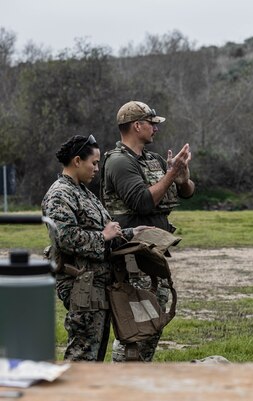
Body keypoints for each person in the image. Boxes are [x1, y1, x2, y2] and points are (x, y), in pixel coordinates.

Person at [101, 101, 195, 362]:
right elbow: (141, 202)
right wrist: (170, 173)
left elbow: (186, 193)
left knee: (155, 318)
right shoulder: (119, 162)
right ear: (137, 125)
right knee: (136, 322)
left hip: (155, 253)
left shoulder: (152, 159)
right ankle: (123, 376)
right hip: (133, 257)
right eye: (151, 123)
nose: (155, 128)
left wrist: (182, 177)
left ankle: (139, 372)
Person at [42, 135, 141, 361]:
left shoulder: (84, 192)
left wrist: (129, 233)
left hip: (98, 285)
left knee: (94, 356)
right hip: (81, 286)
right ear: (77, 161)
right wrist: (103, 236)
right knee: (82, 356)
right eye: (94, 163)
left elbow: (105, 233)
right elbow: (65, 237)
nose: (97, 168)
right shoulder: (60, 194)